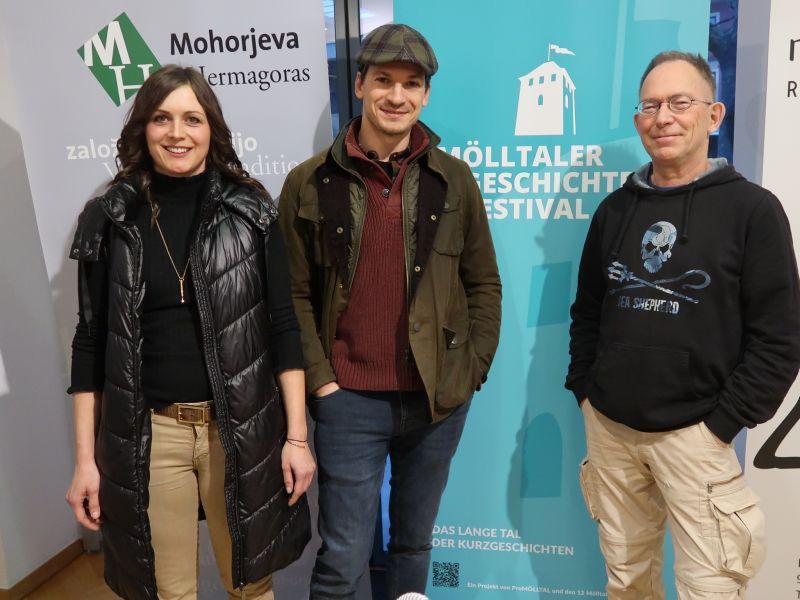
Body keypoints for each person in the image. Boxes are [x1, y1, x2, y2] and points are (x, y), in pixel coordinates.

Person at [64, 64, 314, 600]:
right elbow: (90, 342)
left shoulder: (250, 211)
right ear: (144, 128)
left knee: (251, 585)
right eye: (162, 118)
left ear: (211, 129)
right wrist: (85, 461)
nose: (177, 133)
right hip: (151, 436)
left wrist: (297, 438)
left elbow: (283, 326)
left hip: (241, 430)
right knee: (168, 591)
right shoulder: (109, 218)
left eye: (192, 119)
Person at [278, 23, 501, 599]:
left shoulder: (454, 180)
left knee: (413, 546)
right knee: (342, 559)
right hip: (348, 400)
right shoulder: (309, 182)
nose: (396, 95)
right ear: (359, 85)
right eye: (383, 80)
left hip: (435, 400)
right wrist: (322, 382)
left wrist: (469, 370)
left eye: (411, 83)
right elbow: (292, 296)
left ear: (425, 94)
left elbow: (483, 282)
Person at [566, 50, 800, 599]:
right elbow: (588, 310)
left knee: (710, 589)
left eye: (679, 102)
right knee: (627, 584)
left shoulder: (753, 211)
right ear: (637, 120)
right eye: (650, 106)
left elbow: (780, 337)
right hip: (612, 433)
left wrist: (722, 424)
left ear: (714, 115)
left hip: (696, 438)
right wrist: (586, 392)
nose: (663, 117)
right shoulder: (614, 211)